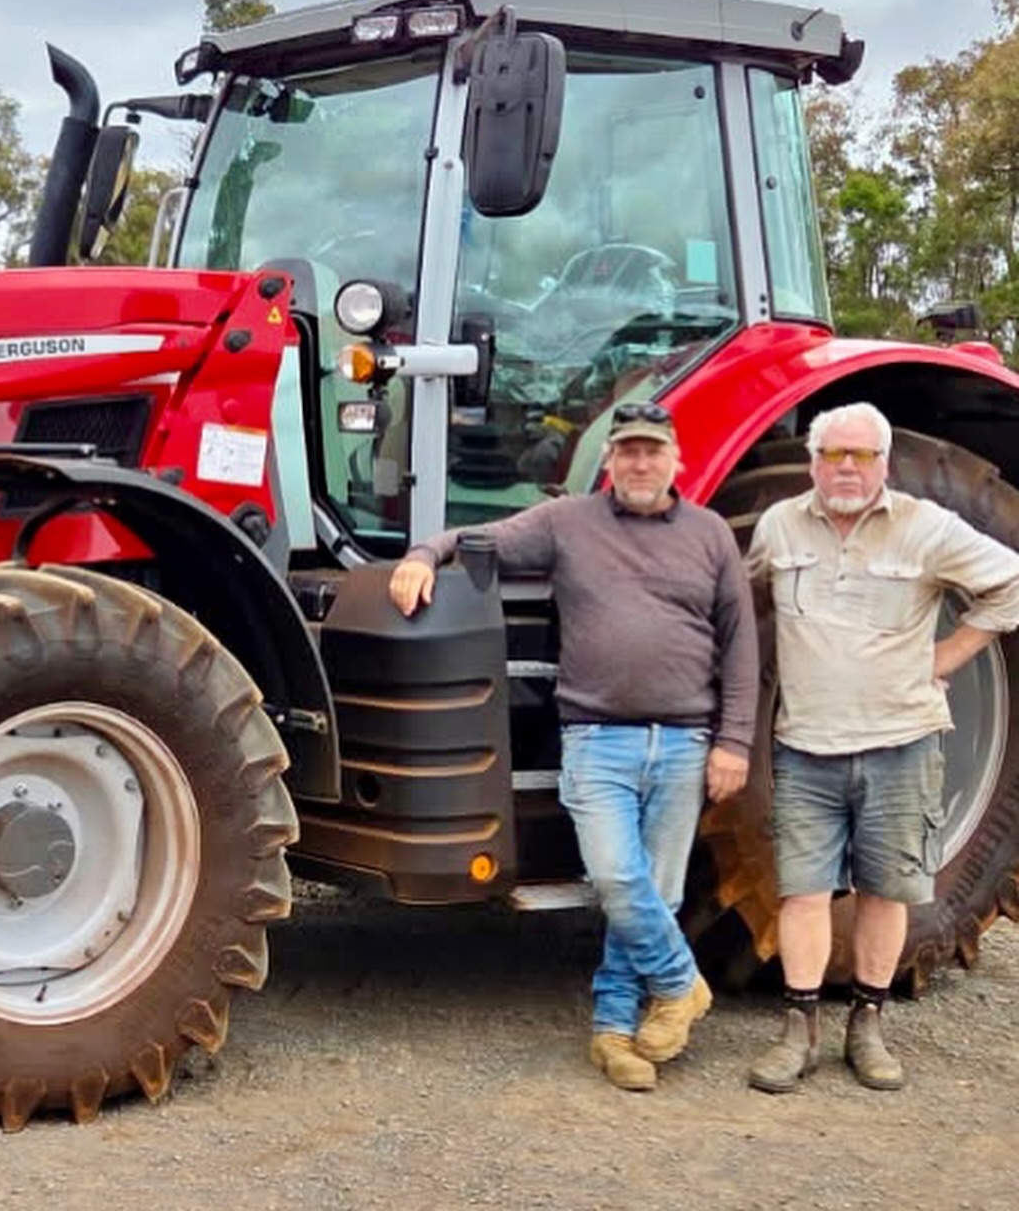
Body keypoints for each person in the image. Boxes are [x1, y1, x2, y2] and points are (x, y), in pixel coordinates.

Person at [389, 402, 758, 1091]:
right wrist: (422, 554)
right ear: (610, 461)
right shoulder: (568, 523)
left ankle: (615, 1033)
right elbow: (483, 537)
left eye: (652, 451)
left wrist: (734, 740)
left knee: (656, 892)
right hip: (598, 740)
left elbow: (741, 645)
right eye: (628, 452)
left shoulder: (710, 535)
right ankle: (682, 985)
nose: (640, 463)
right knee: (618, 880)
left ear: (676, 459)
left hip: (684, 742)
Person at [745, 402, 1019, 1094]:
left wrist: (954, 651)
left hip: (901, 747)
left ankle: (866, 1024)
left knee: (885, 891)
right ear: (813, 463)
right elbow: (729, 597)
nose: (846, 467)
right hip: (806, 747)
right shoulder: (781, 526)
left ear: (883, 464)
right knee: (803, 893)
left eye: (861, 456)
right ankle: (799, 1027)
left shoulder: (923, 528)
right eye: (833, 455)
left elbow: (1012, 581)